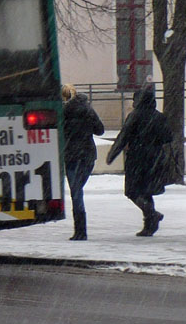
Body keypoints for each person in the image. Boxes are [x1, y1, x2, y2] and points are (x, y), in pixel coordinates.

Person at [106, 83, 174, 236]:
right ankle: (149, 226)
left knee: (132, 191)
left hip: (137, 158)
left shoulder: (135, 116)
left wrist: (112, 153)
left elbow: (123, 137)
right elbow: (168, 137)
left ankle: (152, 214)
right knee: (146, 191)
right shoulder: (159, 116)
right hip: (155, 158)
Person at [61, 84, 104, 240]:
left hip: (71, 155)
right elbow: (100, 130)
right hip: (88, 155)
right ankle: (81, 230)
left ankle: (80, 230)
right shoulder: (88, 110)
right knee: (78, 190)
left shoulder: (63, 112)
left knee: (76, 192)